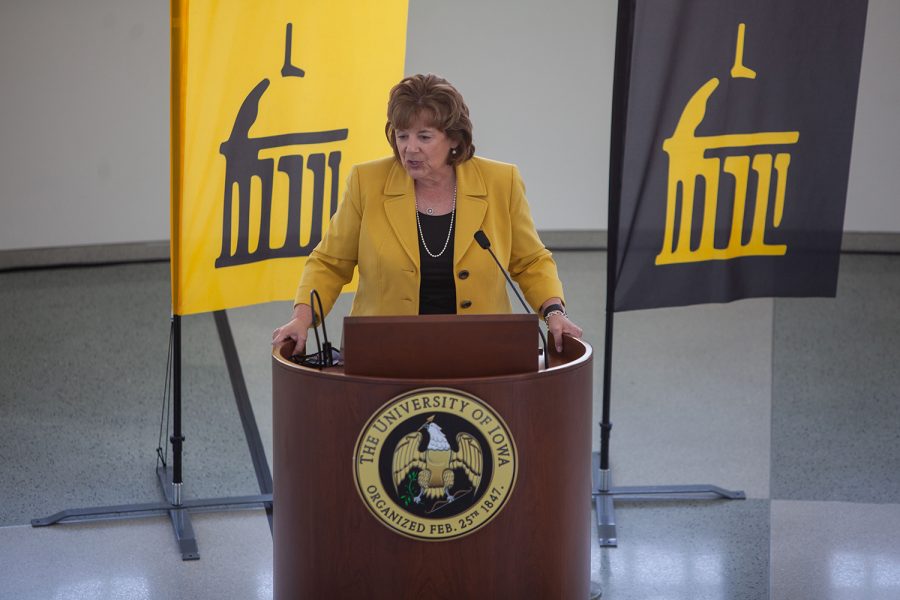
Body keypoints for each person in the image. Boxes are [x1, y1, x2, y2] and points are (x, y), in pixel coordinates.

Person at [272, 73, 583, 355]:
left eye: (424, 136)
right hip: (384, 353)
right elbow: (329, 263)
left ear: (454, 140)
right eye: (402, 135)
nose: (409, 148)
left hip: (480, 352)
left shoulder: (501, 182)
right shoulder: (367, 182)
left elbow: (530, 262)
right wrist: (301, 319)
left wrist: (555, 313)